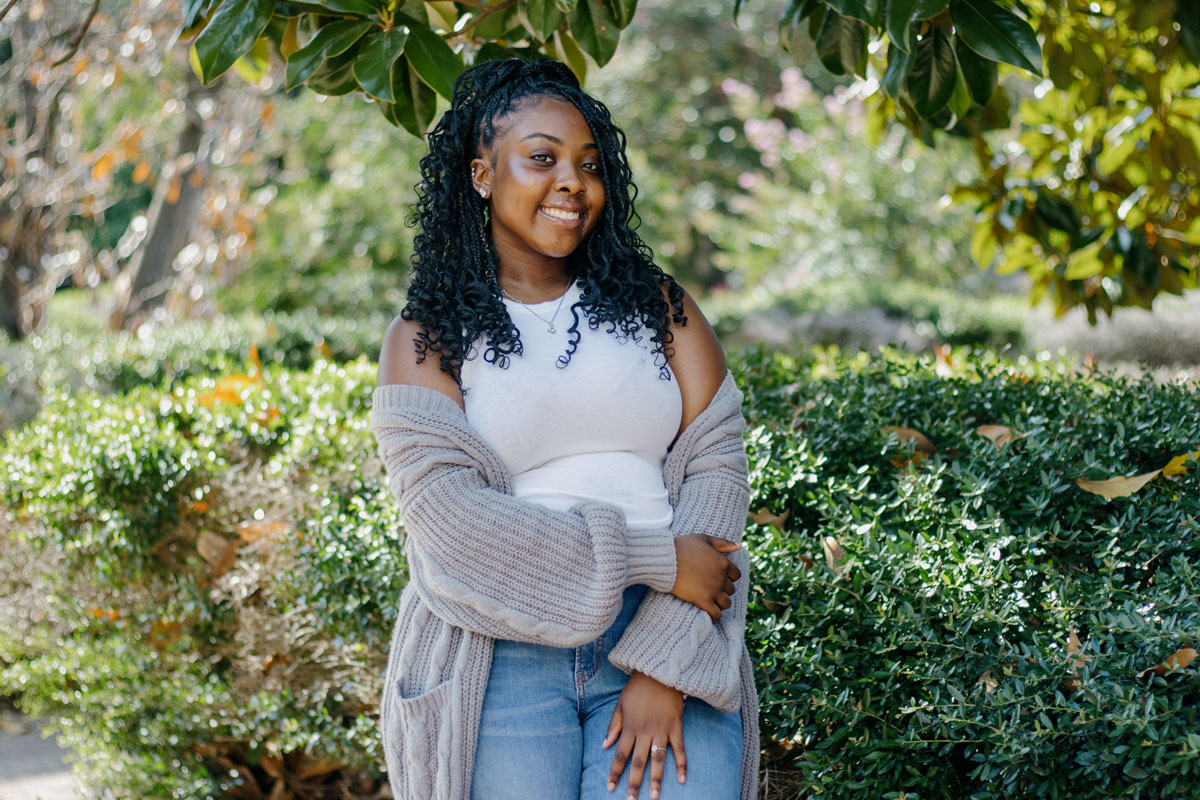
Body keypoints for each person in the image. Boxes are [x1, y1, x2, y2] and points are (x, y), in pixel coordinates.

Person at [369, 57, 758, 800]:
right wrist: (657, 557)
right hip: (494, 657)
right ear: (482, 174)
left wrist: (663, 665)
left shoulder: (660, 307)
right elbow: (449, 524)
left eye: (588, 164)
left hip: (664, 634)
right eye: (541, 158)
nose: (572, 182)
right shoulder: (425, 338)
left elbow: (718, 469)